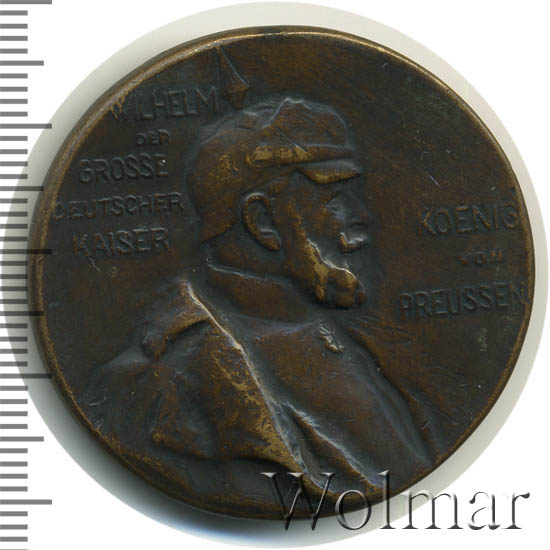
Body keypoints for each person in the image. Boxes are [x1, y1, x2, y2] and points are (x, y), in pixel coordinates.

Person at [80, 97, 458, 516]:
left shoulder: (345, 344)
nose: (363, 216)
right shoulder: (147, 390)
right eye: (335, 199)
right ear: (262, 222)